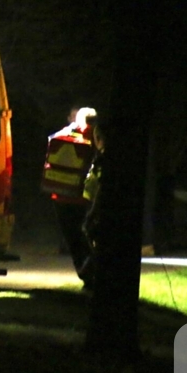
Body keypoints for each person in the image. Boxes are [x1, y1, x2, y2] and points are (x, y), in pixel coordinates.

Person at [42, 106, 97, 288]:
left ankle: (87, 274)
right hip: (82, 197)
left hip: (60, 195)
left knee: (72, 238)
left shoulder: (66, 134)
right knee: (84, 235)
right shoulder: (97, 139)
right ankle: (89, 275)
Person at [81, 114, 107, 273]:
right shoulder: (101, 157)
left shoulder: (103, 159)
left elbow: (102, 187)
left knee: (95, 239)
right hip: (94, 205)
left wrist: (92, 212)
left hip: (98, 208)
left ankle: (91, 272)